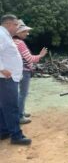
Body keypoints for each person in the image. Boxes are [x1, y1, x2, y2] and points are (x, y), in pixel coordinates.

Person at [0, 14, 31, 145]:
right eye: (16, 25)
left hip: (8, 78)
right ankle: (16, 136)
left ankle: (4, 131)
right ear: (9, 24)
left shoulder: (6, 35)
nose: (17, 28)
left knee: (4, 106)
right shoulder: (1, 35)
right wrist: (1, 68)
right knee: (12, 107)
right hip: (7, 78)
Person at [13, 19, 48, 124]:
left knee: (18, 93)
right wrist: (40, 55)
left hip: (16, 71)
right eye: (24, 31)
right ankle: (20, 115)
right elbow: (29, 59)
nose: (27, 33)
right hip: (24, 71)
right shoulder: (20, 43)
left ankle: (21, 111)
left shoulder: (11, 40)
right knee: (23, 93)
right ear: (18, 32)